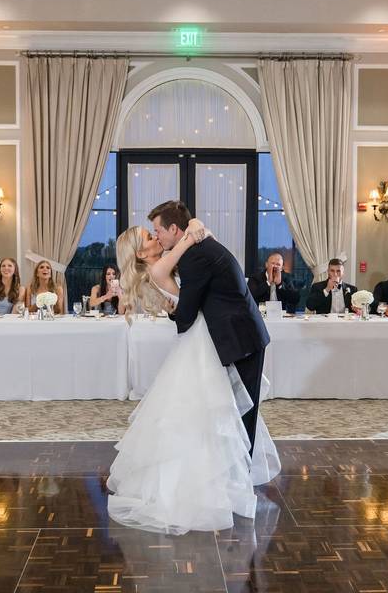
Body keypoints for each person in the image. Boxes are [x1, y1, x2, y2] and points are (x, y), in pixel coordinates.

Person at [108, 201, 279, 535]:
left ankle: (225, 477)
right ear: (141, 254)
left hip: (209, 342)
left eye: (155, 231)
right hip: (201, 343)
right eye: (149, 236)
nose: (155, 238)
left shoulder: (170, 261)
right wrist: (189, 234)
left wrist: (193, 227)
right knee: (212, 416)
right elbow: (185, 312)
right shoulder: (160, 268)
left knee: (212, 416)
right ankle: (222, 481)